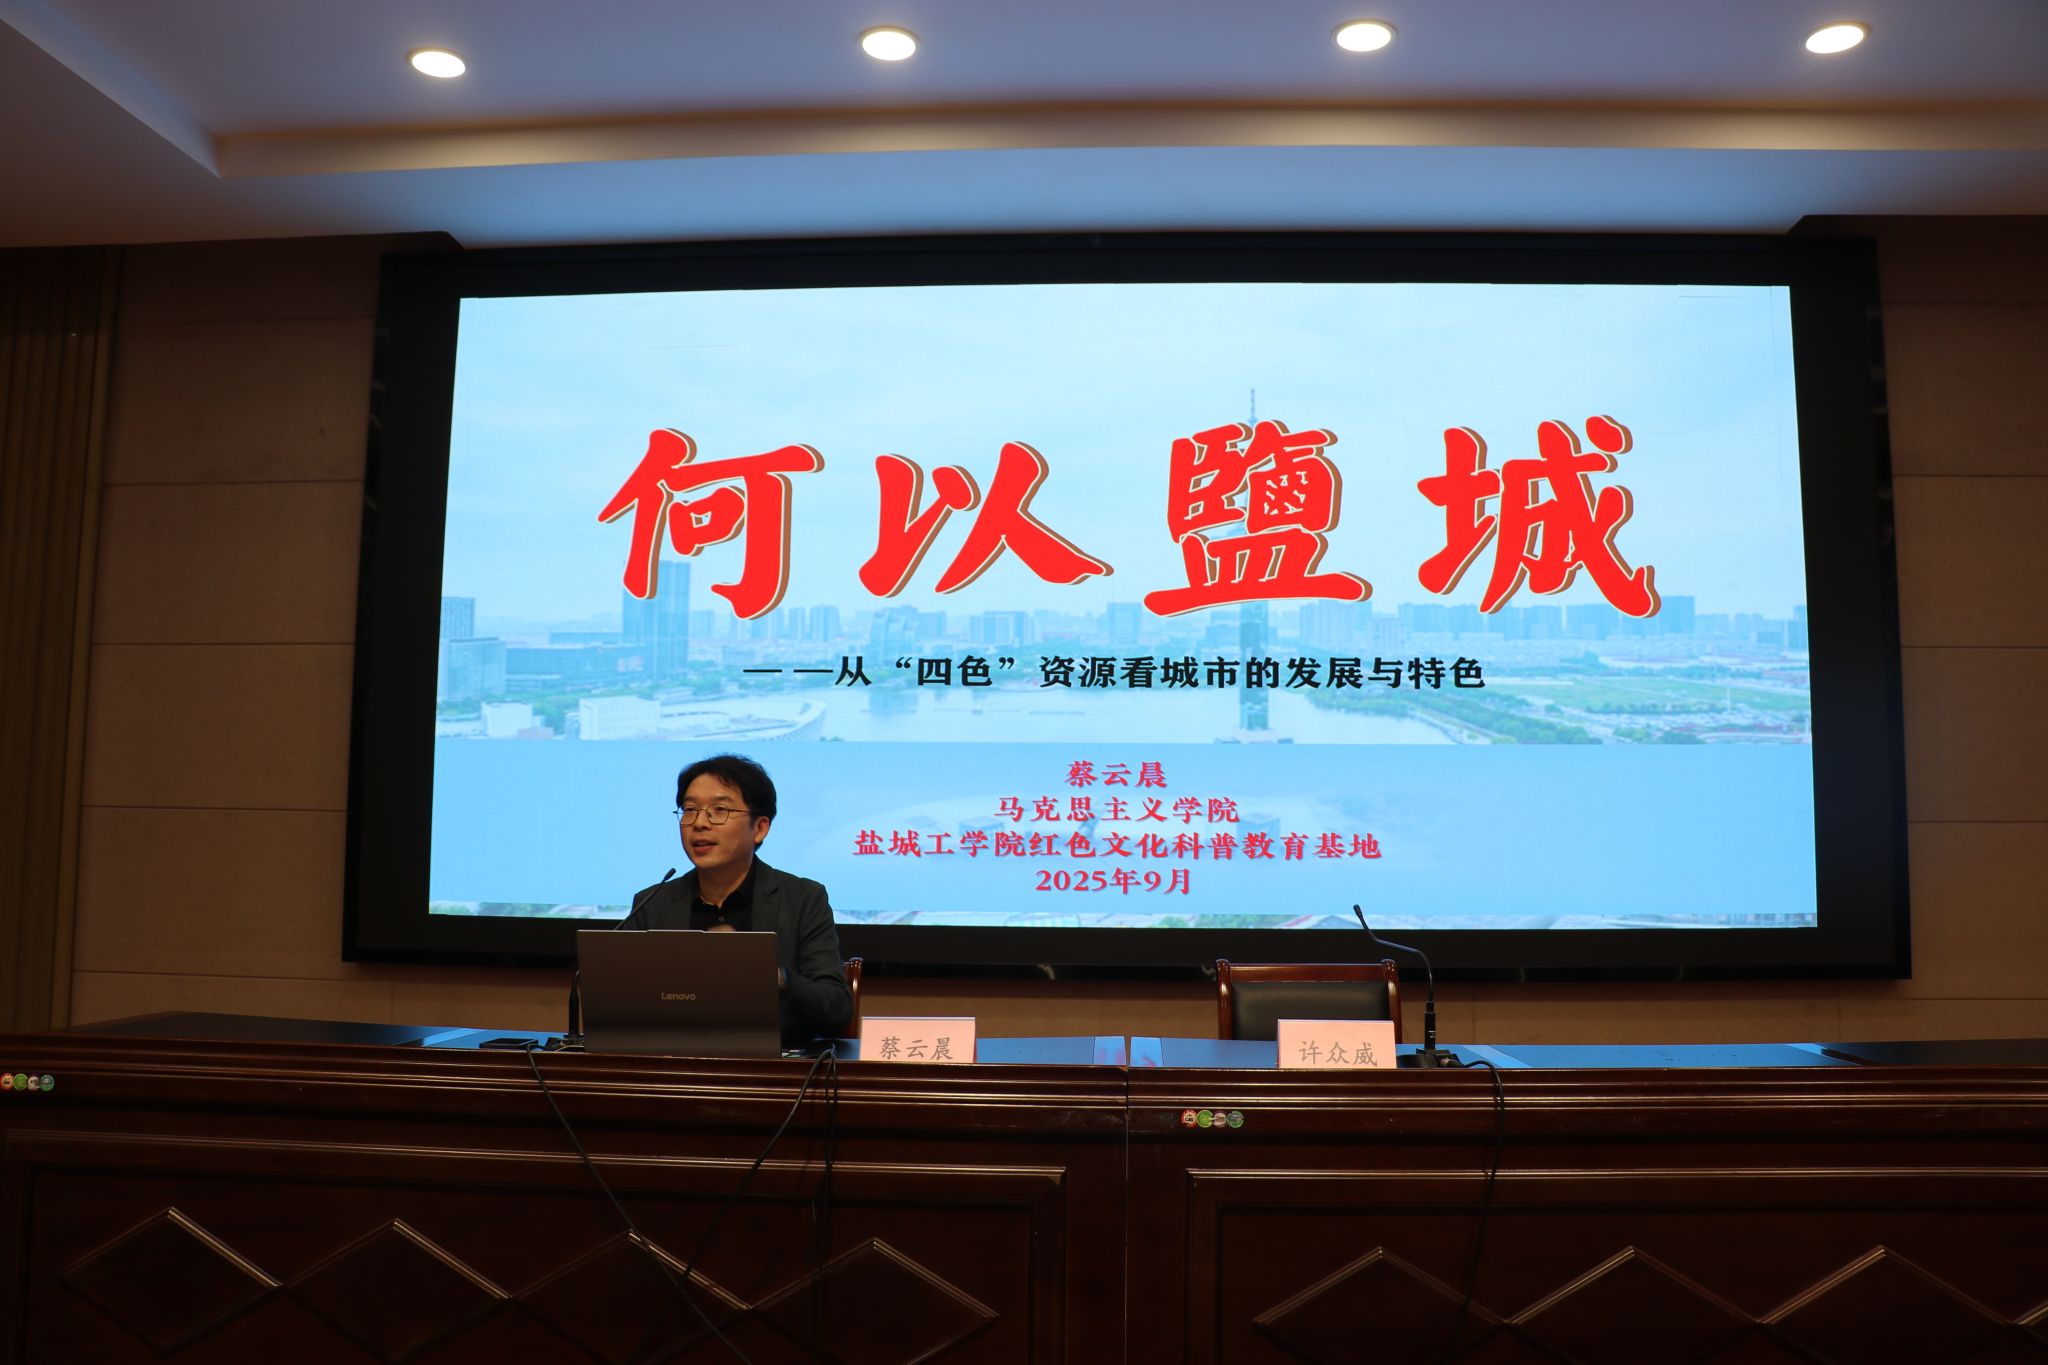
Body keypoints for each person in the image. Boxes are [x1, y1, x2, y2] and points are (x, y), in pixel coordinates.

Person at [618, 753, 853, 1047]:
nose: (699, 823)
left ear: (760, 828)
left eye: (719, 810)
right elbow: (619, 1003)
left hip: (771, 1069)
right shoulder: (652, 903)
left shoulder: (803, 899)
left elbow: (837, 1010)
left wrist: (773, 976)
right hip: (675, 1065)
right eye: (689, 810)